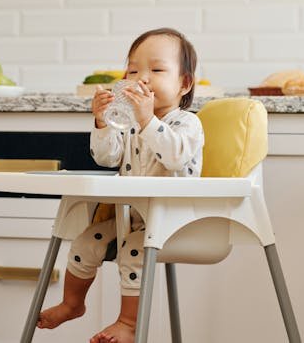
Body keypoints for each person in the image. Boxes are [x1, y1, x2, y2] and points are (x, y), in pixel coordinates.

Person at [36, 27, 204, 343]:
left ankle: (127, 323)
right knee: (86, 241)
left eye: (156, 70)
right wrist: (102, 123)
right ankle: (73, 304)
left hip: (174, 219)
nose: (142, 78)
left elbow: (176, 157)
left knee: (133, 249)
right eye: (133, 69)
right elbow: (106, 156)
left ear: (184, 84)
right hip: (131, 216)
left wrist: (147, 121)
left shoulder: (187, 123)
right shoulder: (129, 125)